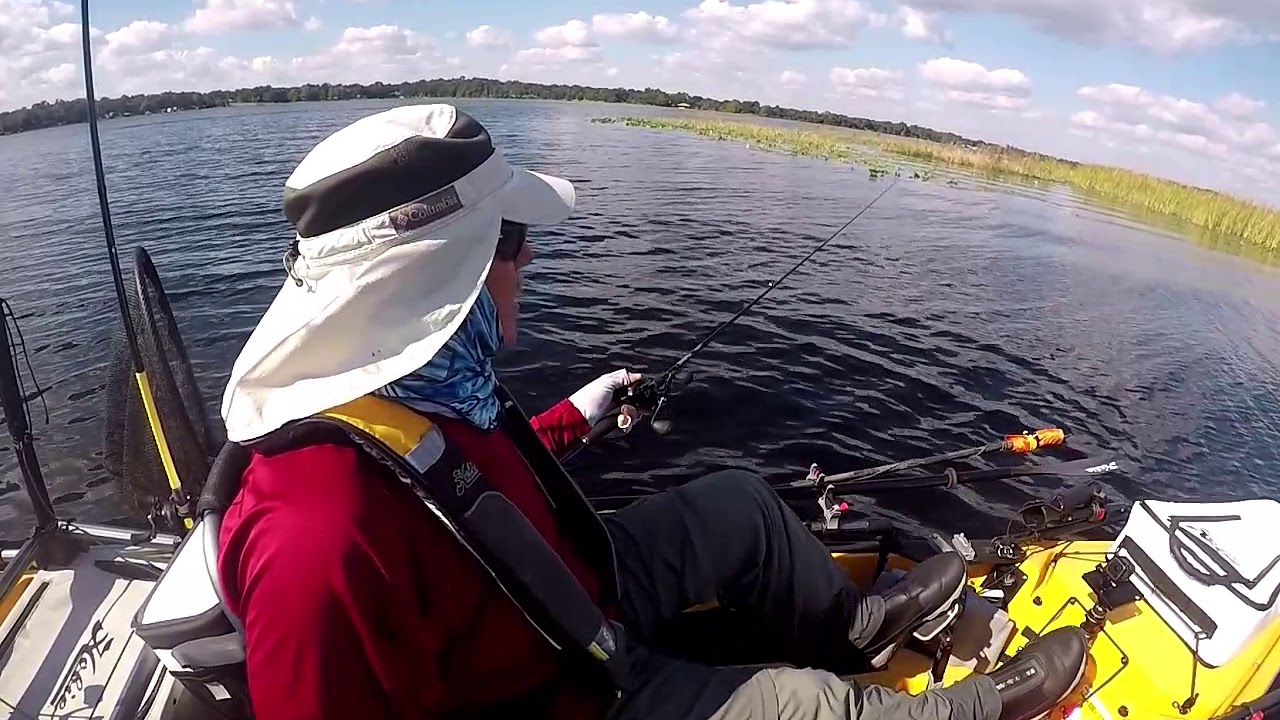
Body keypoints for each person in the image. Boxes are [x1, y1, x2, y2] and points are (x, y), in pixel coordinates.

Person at [216, 104, 1088, 720]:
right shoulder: (314, 535)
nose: (528, 262)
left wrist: (579, 416)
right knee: (807, 707)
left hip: (578, 589)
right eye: (510, 243)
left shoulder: (427, 386)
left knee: (741, 504)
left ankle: (856, 625)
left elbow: (468, 487)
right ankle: (984, 707)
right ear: (444, 280)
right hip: (555, 689)